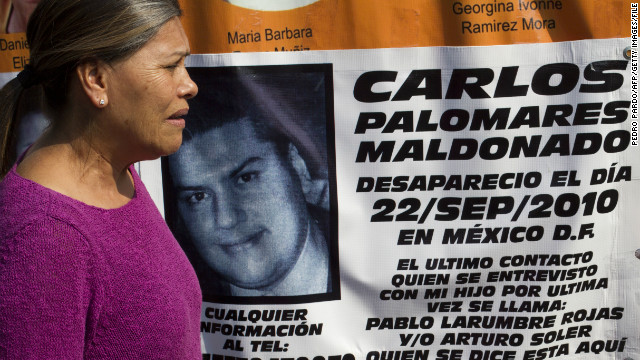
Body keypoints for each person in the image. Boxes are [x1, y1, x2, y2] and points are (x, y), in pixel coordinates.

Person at [0, 0, 201, 358]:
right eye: (170, 66)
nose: (189, 86)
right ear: (95, 79)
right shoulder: (46, 235)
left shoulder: (116, 170)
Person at [166, 71, 332, 298]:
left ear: (298, 167)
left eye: (245, 178)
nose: (226, 219)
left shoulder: (370, 255)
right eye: (199, 197)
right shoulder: (171, 290)